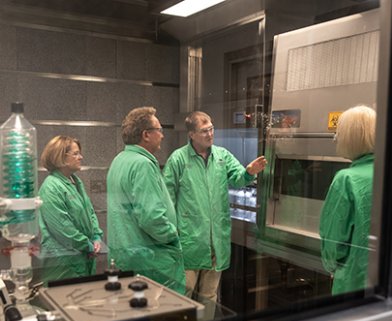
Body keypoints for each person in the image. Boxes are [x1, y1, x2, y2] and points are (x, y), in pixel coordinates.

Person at [163, 111, 267, 309]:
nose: (210, 134)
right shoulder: (178, 160)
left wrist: (248, 172)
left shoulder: (222, 156)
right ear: (191, 134)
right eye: (204, 131)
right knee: (183, 296)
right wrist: (171, 232)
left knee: (209, 296)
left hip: (215, 242)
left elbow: (237, 176)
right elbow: (166, 198)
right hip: (189, 242)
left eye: (211, 129)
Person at [107, 106, 185, 294]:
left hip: (126, 256)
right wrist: (172, 235)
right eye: (159, 130)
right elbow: (151, 218)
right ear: (146, 135)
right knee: (163, 317)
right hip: (151, 260)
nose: (162, 135)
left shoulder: (120, 159)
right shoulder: (143, 165)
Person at [320, 105, 376, 295]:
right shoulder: (390, 170)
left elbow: (334, 241)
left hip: (354, 282)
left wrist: (332, 266)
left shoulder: (346, 179)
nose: (337, 138)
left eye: (339, 133)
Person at [38, 135, 103, 283]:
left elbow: (90, 212)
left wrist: (96, 237)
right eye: (75, 154)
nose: (81, 157)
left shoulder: (76, 182)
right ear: (60, 157)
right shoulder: (51, 187)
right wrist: (86, 244)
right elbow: (62, 227)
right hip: (64, 262)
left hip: (82, 256)